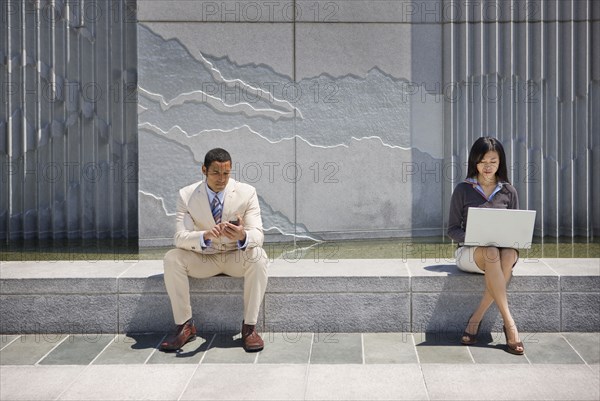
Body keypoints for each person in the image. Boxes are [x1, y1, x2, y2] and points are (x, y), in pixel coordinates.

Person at [160, 148, 269, 352]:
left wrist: (242, 236)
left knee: (259, 256)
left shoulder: (247, 193)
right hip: (204, 259)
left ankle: (249, 329)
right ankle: (185, 326)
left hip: (234, 257)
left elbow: (259, 234)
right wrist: (205, 236)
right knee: (172, 258)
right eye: (216, 173)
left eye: (226, 173)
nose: (222, 179)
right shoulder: (187, 195)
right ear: (204, 170)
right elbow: (179, 237)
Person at [447, 137, 524, 355]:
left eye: (493, 161)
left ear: (501, 162)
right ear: (474, 162)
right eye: (482, 161)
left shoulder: (509, 191)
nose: (487, 166)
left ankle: (476, 318)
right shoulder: (463, 189)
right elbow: (452, 229)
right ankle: (510, 324)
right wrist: (474, 237)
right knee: (490, 251)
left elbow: (516, 229)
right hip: (470, 253)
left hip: (501, 255)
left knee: (509, 253)